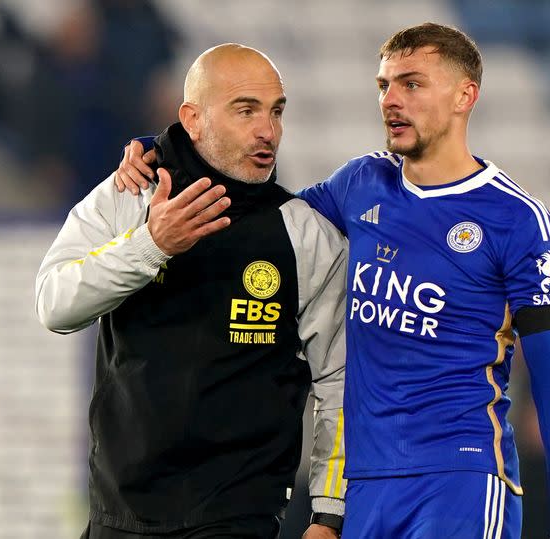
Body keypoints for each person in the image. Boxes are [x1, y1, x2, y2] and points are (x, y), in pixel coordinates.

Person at [118, 23, 550, 538]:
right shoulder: (362, 183)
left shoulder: (518, 220)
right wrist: (167, 151)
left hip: (460, 478)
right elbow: (265, 213)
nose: (391, 100)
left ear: (464, 95)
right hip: (365, 487)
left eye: (411, 84)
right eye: (384, 85)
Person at [36, 44, 348, 539]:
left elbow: (337, 382)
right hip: (119, 512)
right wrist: (151, 245)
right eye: (246, 110)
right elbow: (54, 304)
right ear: (193, 119)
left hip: (237, 514)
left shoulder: (305, 234)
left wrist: (328, 514)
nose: (268, 131)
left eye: (276, 112)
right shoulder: (129, 196)